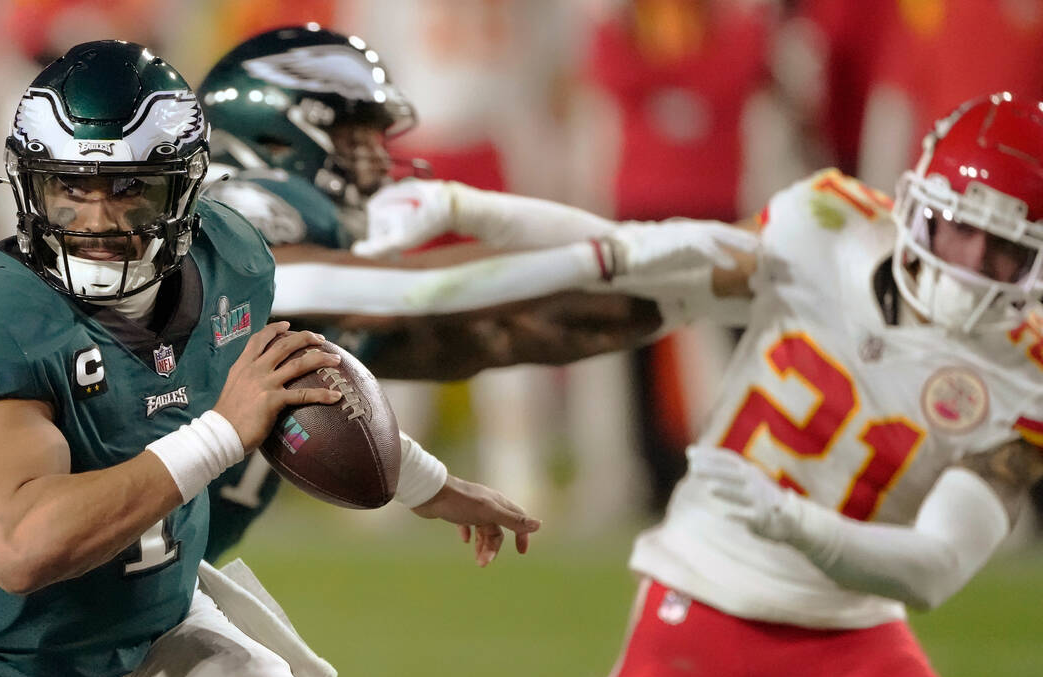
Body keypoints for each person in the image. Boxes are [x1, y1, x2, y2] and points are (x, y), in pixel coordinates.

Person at [0, 40, 543, 677]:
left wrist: (425, 482)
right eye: (71, 188)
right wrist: (221, 433)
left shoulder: (231, 258)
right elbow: (22, 547)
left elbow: (288, 380)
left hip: (164, 637)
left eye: (129, 189)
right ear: (32, 186)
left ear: (183, 188)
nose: (97, 219)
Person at [360, 92, 1043, 677]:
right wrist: (467, 209)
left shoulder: (1027, 370)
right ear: (916, 202)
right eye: (958, 227)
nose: (971, 265)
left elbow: (934, 567)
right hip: (699, 606)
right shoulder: (826, 226)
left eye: (1007, 249)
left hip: (850, 635)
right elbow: (634, 252)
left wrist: (789, 521)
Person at [195, 23, 759, 560]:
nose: (373, 164)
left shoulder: (296, 307)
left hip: (164, 583)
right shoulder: (216, 238)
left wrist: (692, 294)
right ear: (277, 136)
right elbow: (418, 290)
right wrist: (630, 252)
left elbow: (509, 336)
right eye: (351, 140)